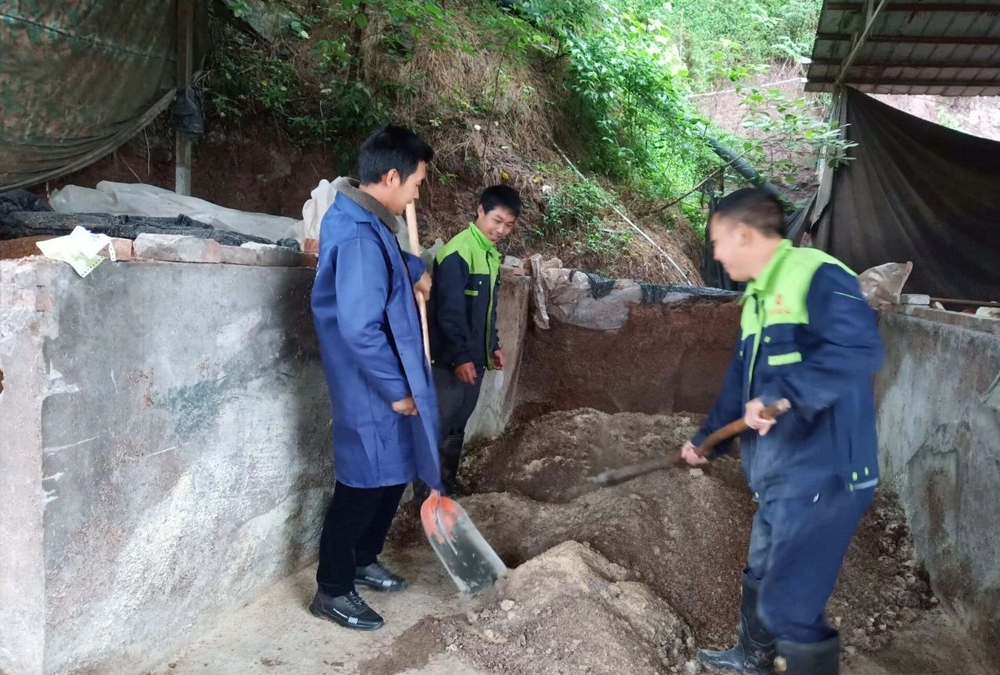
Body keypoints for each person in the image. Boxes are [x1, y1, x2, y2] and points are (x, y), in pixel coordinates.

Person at [682, 187, 883, 675]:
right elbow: (741, 383)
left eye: (717, 242)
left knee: (790, 604)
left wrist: (785, 395)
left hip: (826, 474)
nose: (716, 254)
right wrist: (708, 439)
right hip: (783, 475)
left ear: (743, 234)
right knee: (762, 565)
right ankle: (752, 658)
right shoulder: (756, 298)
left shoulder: (816, 274)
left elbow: (859, 349)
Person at [309, 125, 443, 631]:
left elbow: (381, 266)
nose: (416, 195)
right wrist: (398, 389)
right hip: (371, 384)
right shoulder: (360, 236)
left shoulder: (366, 222)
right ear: (391, 177)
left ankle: (363, 558)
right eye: (416, 184)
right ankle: (332, 589)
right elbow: (360, 328)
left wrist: (412, 265)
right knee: (362, 483)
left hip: (384, 378)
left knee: (392, 474)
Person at [428, 185, 521, 494]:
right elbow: (448, 311)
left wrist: (492, 345)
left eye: (509, 225)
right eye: (497, 220)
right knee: (441, 423)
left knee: (459, 422)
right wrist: (460, 357)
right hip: (450, 362)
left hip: (475, 359)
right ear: (480, 210)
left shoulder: (489, 254)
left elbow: (487, 309)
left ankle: (447, 483)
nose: (501, 230)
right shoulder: (458, 252)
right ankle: (428, 491)